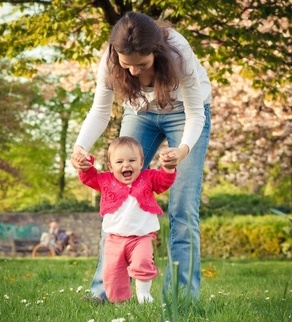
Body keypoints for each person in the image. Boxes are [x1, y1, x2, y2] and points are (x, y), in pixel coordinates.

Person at [71, 11, 211, 301]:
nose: (133, 72)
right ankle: (104, 292)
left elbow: (196, 113)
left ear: (156, 52)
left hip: (184, 115)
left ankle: (181, 297)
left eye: (142, 64)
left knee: (182, 209)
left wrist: (182, 151)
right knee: (116, 196)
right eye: (127, 65)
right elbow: (99, 110)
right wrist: (80, 147)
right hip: (141, 114)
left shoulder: (178, 53)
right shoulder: (110, 60)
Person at [77, 136, 176, 303]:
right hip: (114, 238)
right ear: (110, 166)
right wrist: (85, 165)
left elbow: (163, 182)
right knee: (112, 273)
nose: (126, 165)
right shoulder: (106, 180)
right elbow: (89, 178)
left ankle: (144, 294)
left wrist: (168, 168)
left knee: (143, 262)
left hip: (142, 236)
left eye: (132, 160)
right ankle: (120, 303)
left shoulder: (148, 178)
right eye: (119, 162)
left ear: (141, 162)